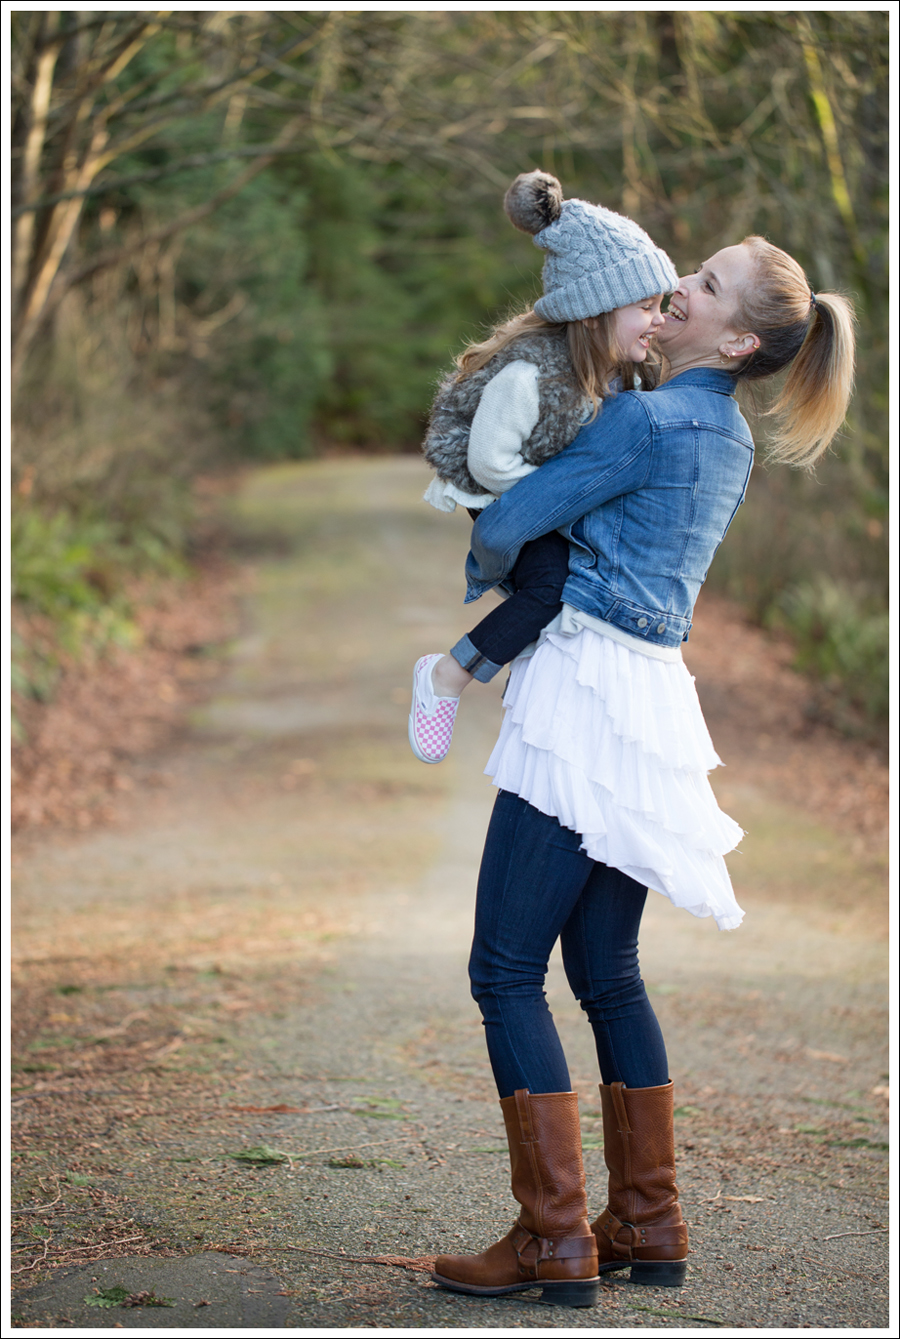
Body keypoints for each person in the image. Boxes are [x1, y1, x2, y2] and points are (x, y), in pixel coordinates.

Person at [429, 235, 855, 1306]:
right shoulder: (724, 437)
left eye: (704, 286)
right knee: (607, 972)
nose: (679, 290)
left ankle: (553, 1238)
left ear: (740, 337)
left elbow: (518, 518)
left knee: (504, 969)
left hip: (584, 696)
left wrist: (491, 540)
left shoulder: (644, 416)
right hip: (655, 696)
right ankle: (648, 1223)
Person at [409, 170, 677, 765]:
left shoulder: (621, 367)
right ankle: (445, 676)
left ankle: (530, 668)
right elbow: (488, 461)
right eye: (645, 306)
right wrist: (560, 502)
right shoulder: (528, 375)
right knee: (552, 585)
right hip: (498, 492)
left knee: (567, 586)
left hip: (543, 495)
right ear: (593, 312)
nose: (658, 319)